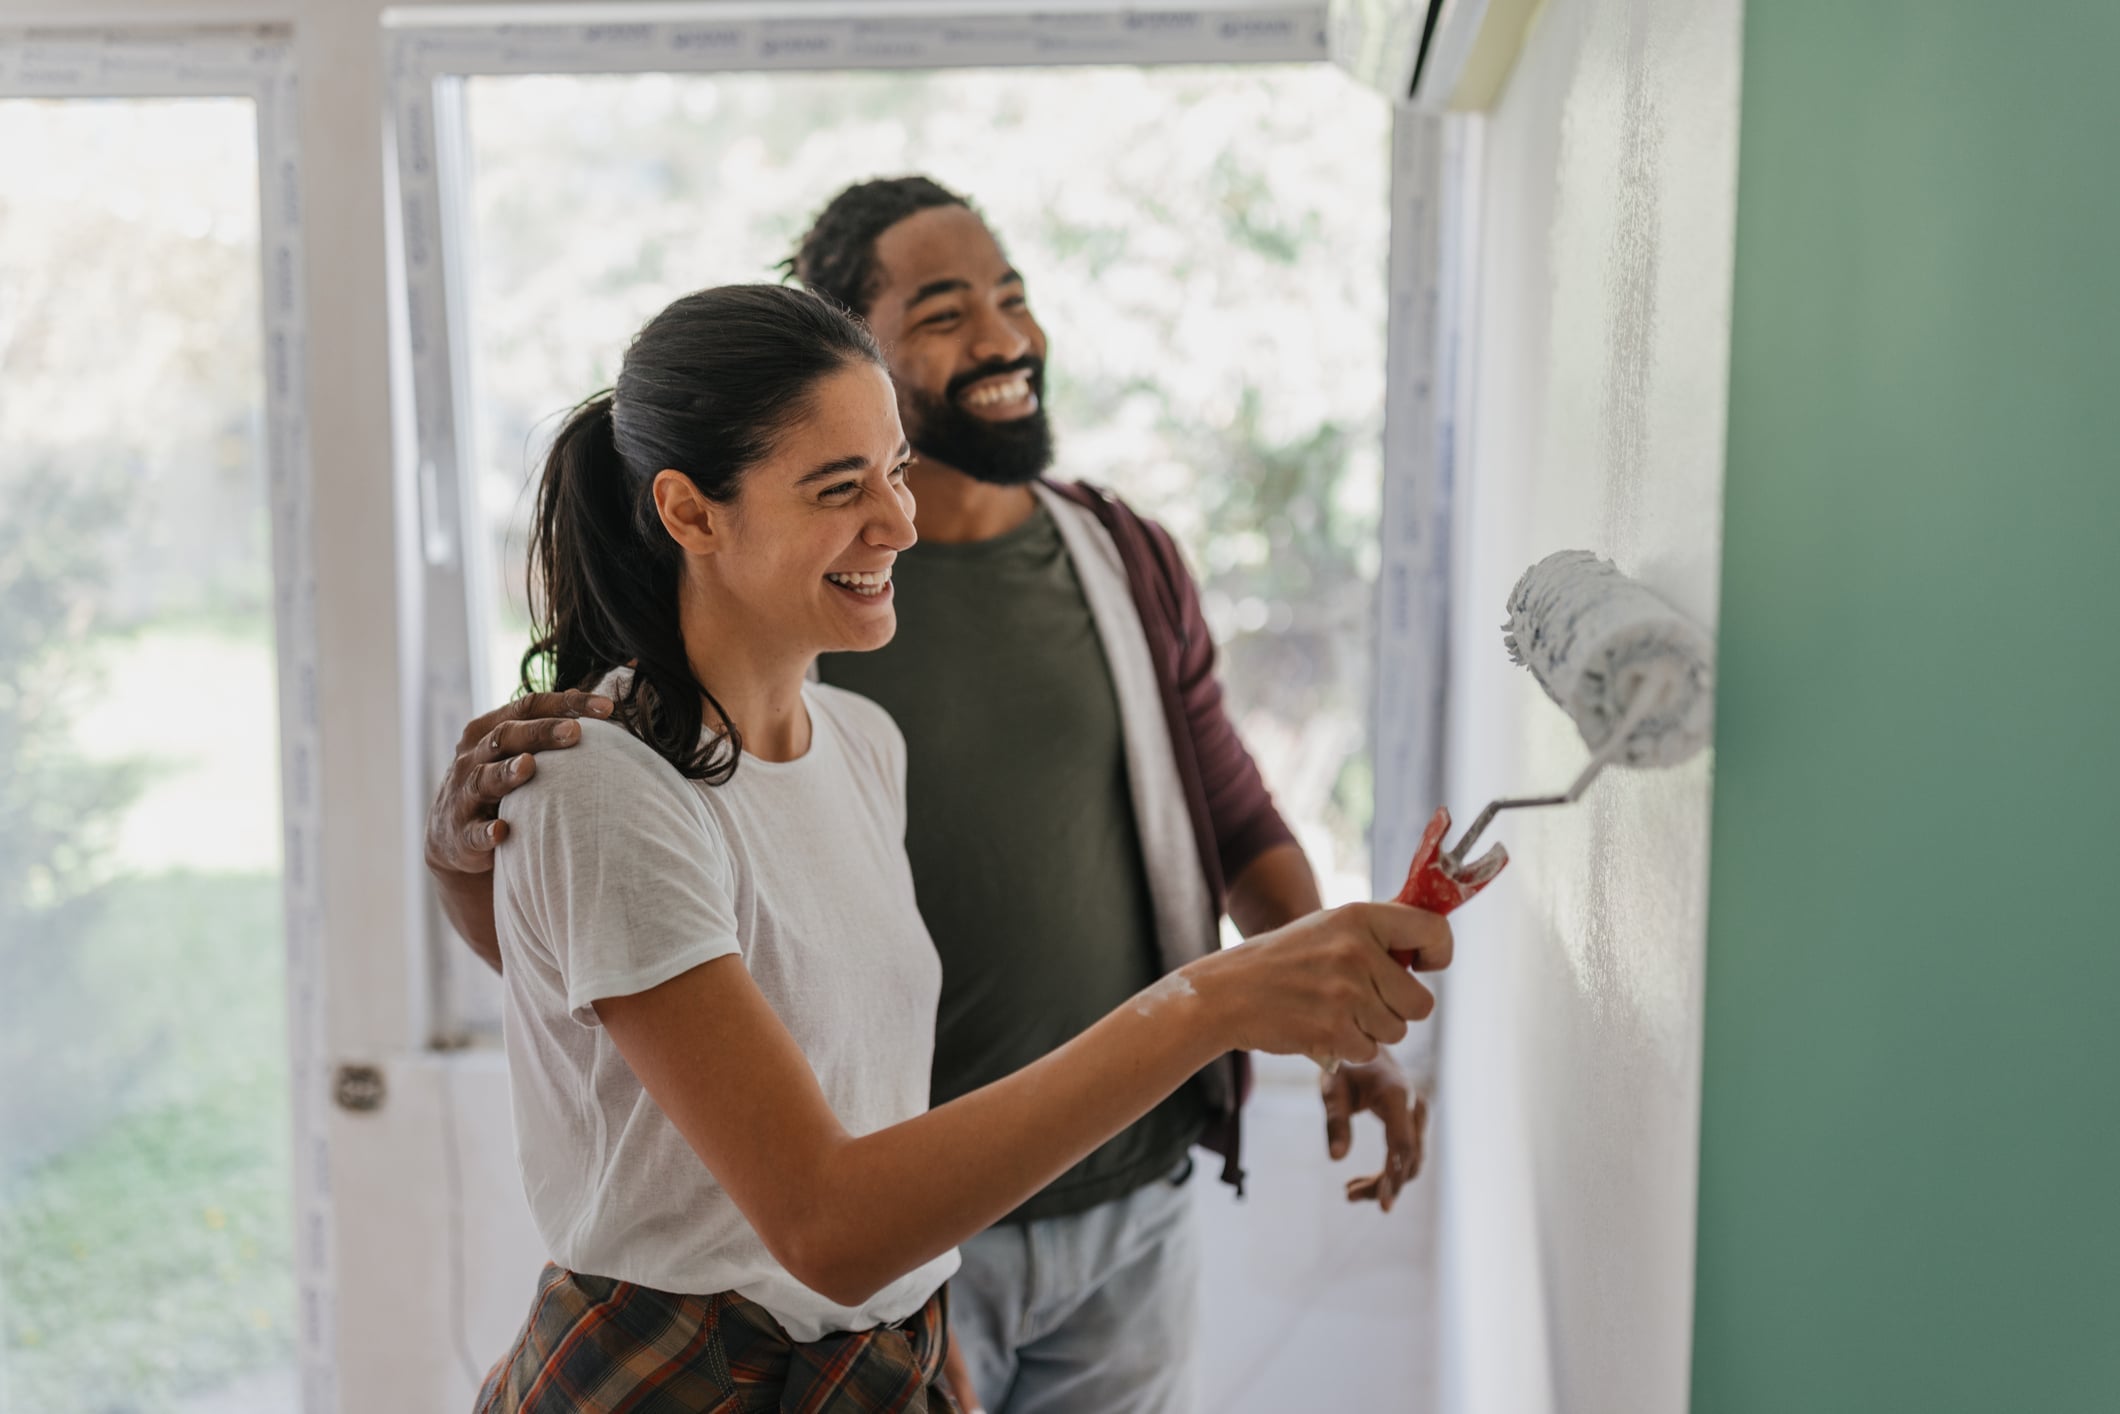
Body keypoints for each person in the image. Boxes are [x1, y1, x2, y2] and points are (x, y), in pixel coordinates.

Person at [431, 180, 1428, 1414]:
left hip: (886, 1344)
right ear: (689, 509)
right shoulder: (600, 783)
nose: (896, 520)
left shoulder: (859, 741)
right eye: (839, 486)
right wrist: (1205, 1004)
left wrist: (910, 1316)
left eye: (893, 469)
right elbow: (822, 1218)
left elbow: (852, 1090)